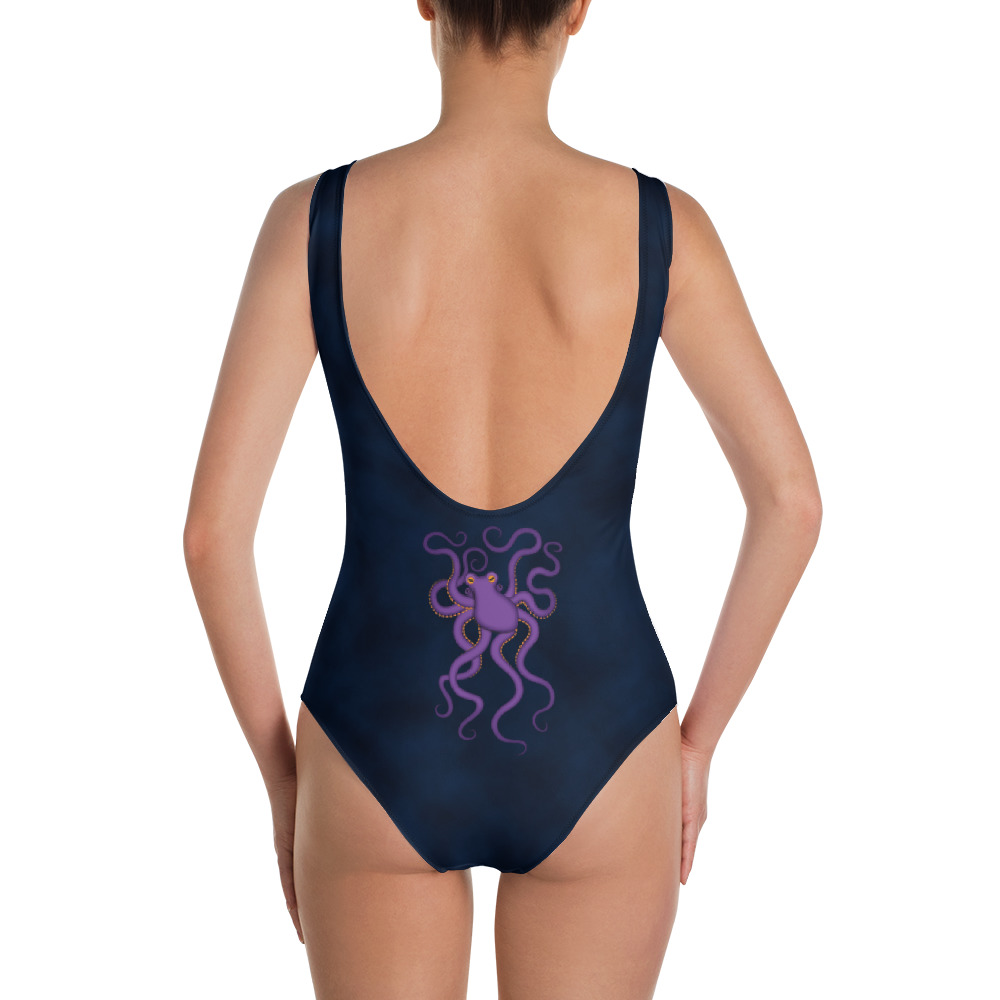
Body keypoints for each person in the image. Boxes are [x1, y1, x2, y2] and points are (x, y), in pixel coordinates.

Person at [183, 1, 822, 996]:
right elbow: (790, 501)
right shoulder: (661, 229)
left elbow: (212, 535)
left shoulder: (316, 221)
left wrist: (282, 777)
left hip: (372, 737)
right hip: (604, 742)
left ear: (425, 1)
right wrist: (696, 745)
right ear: (579, 9)